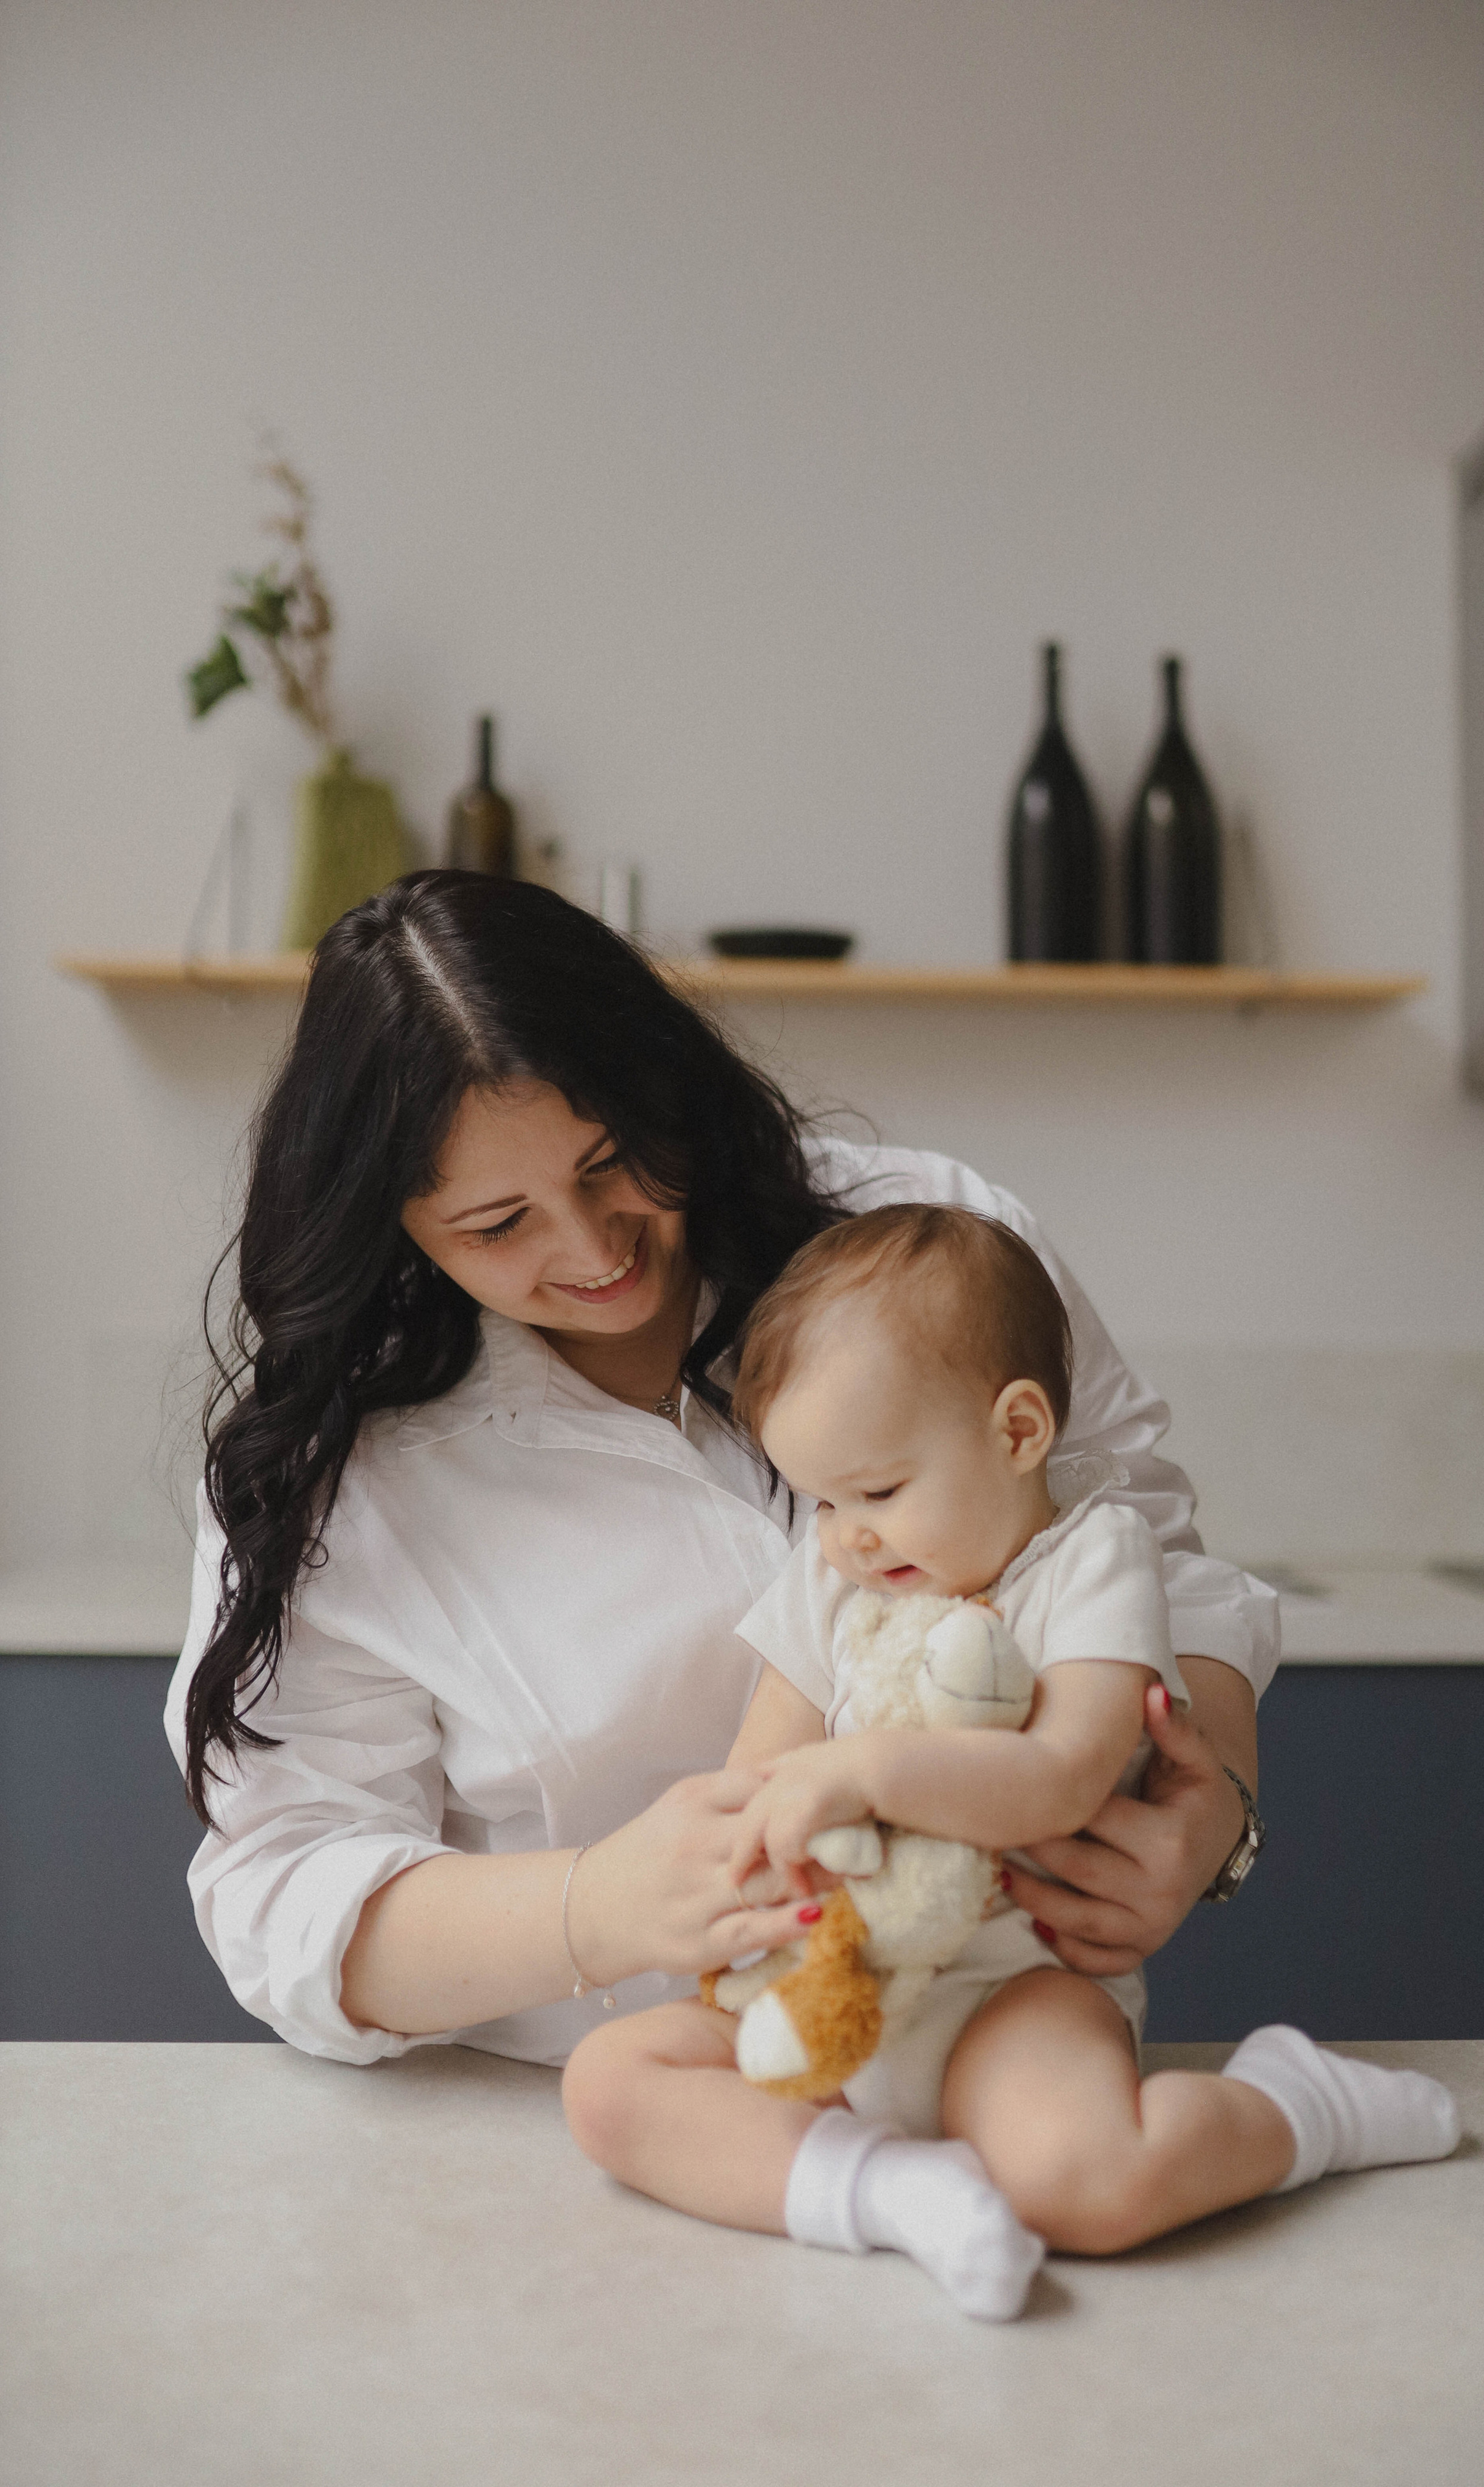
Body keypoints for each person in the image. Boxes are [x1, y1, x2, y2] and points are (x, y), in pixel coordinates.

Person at [165, 869, 1273, 2084]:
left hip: (995, 2052)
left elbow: (1142, 1546)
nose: (593, 1247)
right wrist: (599, 1905)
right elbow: (282, 1888)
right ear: (398, 1228)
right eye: (498, 1226)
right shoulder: (342, 1464)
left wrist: (1213, 1807)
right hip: (589, 2114)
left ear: (666, 1085)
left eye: (610, 1161)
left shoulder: (930, 1243)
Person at [562, 1207, 1461, 2319]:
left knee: (1091, 2185)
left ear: (1019, 1430)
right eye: (822, 1501)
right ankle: (893, 2194)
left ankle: (1298, 2107)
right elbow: (761, 1774)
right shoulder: (833, 1575)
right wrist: (765, 1866)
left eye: (878, 1492)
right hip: (840, 1979)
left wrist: (869, 1774)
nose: (846, 1536)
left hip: (1011, 1987)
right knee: (609, 2084)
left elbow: (1065, 1774)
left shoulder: (1090, 1562)